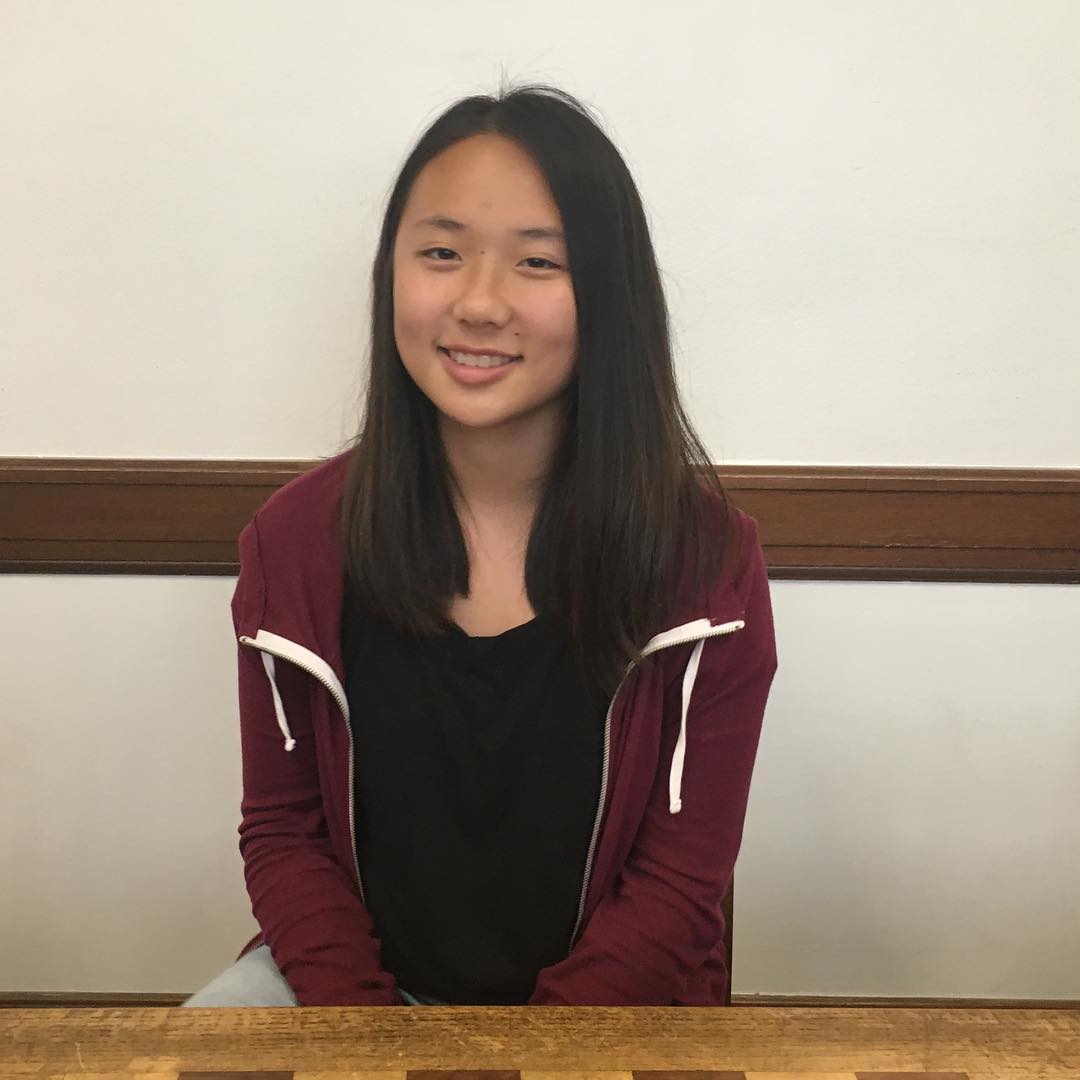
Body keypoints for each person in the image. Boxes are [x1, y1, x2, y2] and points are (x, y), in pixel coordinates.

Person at [183, 81, 777, 1008]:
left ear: (608, 293)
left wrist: (523, 1059)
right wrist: (368, 1044)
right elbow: (285, 832)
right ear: (392, 273)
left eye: (538, 262)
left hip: (611, 1014)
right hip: (357, 998)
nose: (480, 302)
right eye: (442, 253)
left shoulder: (704, 561)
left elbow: (679, 881)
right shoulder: (294, 541)